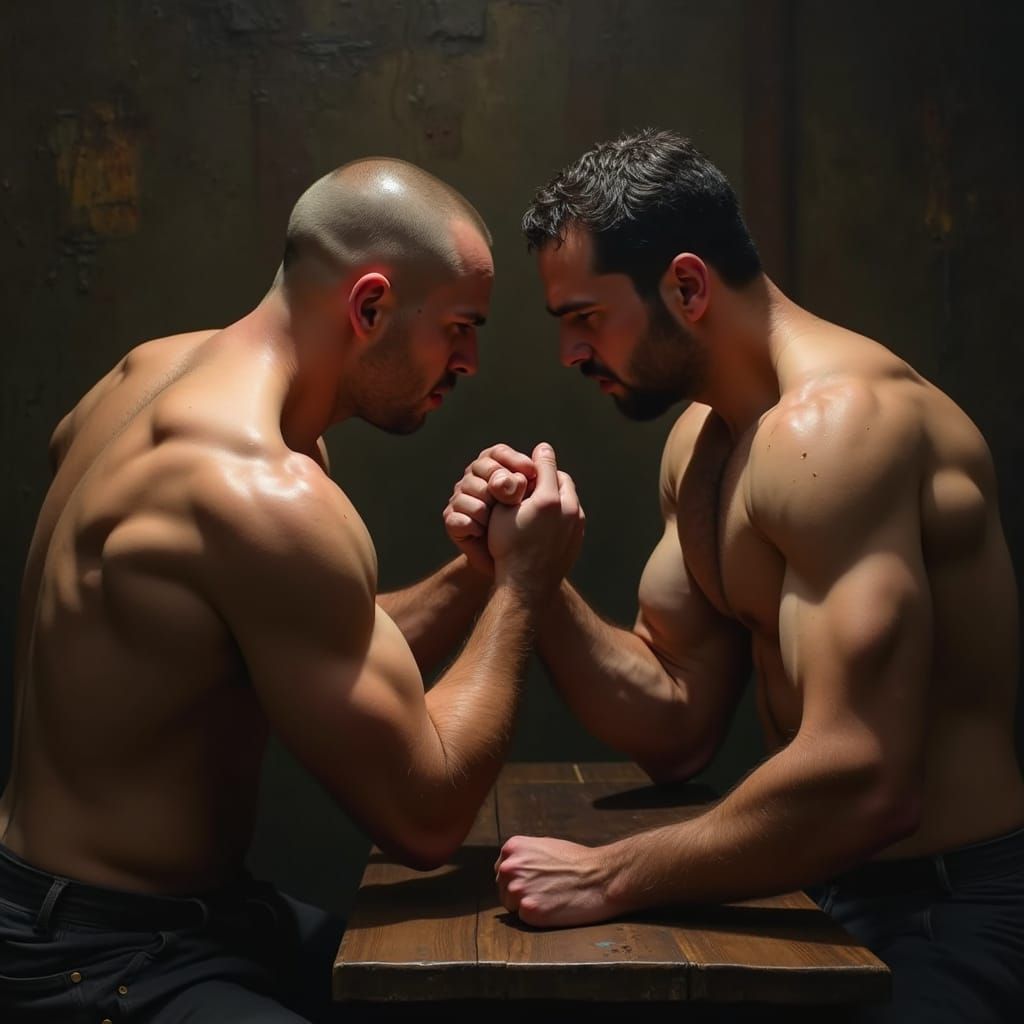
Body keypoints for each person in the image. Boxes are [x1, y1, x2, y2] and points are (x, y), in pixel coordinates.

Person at [444, 129, 1024, 1022]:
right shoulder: (704, 446)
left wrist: (609, 874)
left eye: (584, 318)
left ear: (686, 285)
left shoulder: (838, 429)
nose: (568, 354)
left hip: (948, 908)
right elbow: (674, 726)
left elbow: (868, 777)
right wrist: (529, 574)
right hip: (813, 885)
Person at [0, 157, 583, 1022]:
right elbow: (425, 819)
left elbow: (272, 636)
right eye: (459, 327)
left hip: (190, 912)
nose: (469, 361)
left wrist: (477, 573)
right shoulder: (262, 491)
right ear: (371, 305)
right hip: (96, 953)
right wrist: (527, 587)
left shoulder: (146, 378)